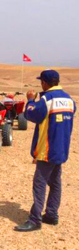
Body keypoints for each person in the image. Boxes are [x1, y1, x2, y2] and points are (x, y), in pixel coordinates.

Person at [15, 70, 76, 232]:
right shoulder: (69, 100)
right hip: (61, 148)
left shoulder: (47, 99)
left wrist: (30, 101)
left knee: (40, 183)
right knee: (55, 182)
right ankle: (51, 214)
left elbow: (31, 115)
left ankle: (35, 220)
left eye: (41, 81)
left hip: (47, 149)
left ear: (45, 83)